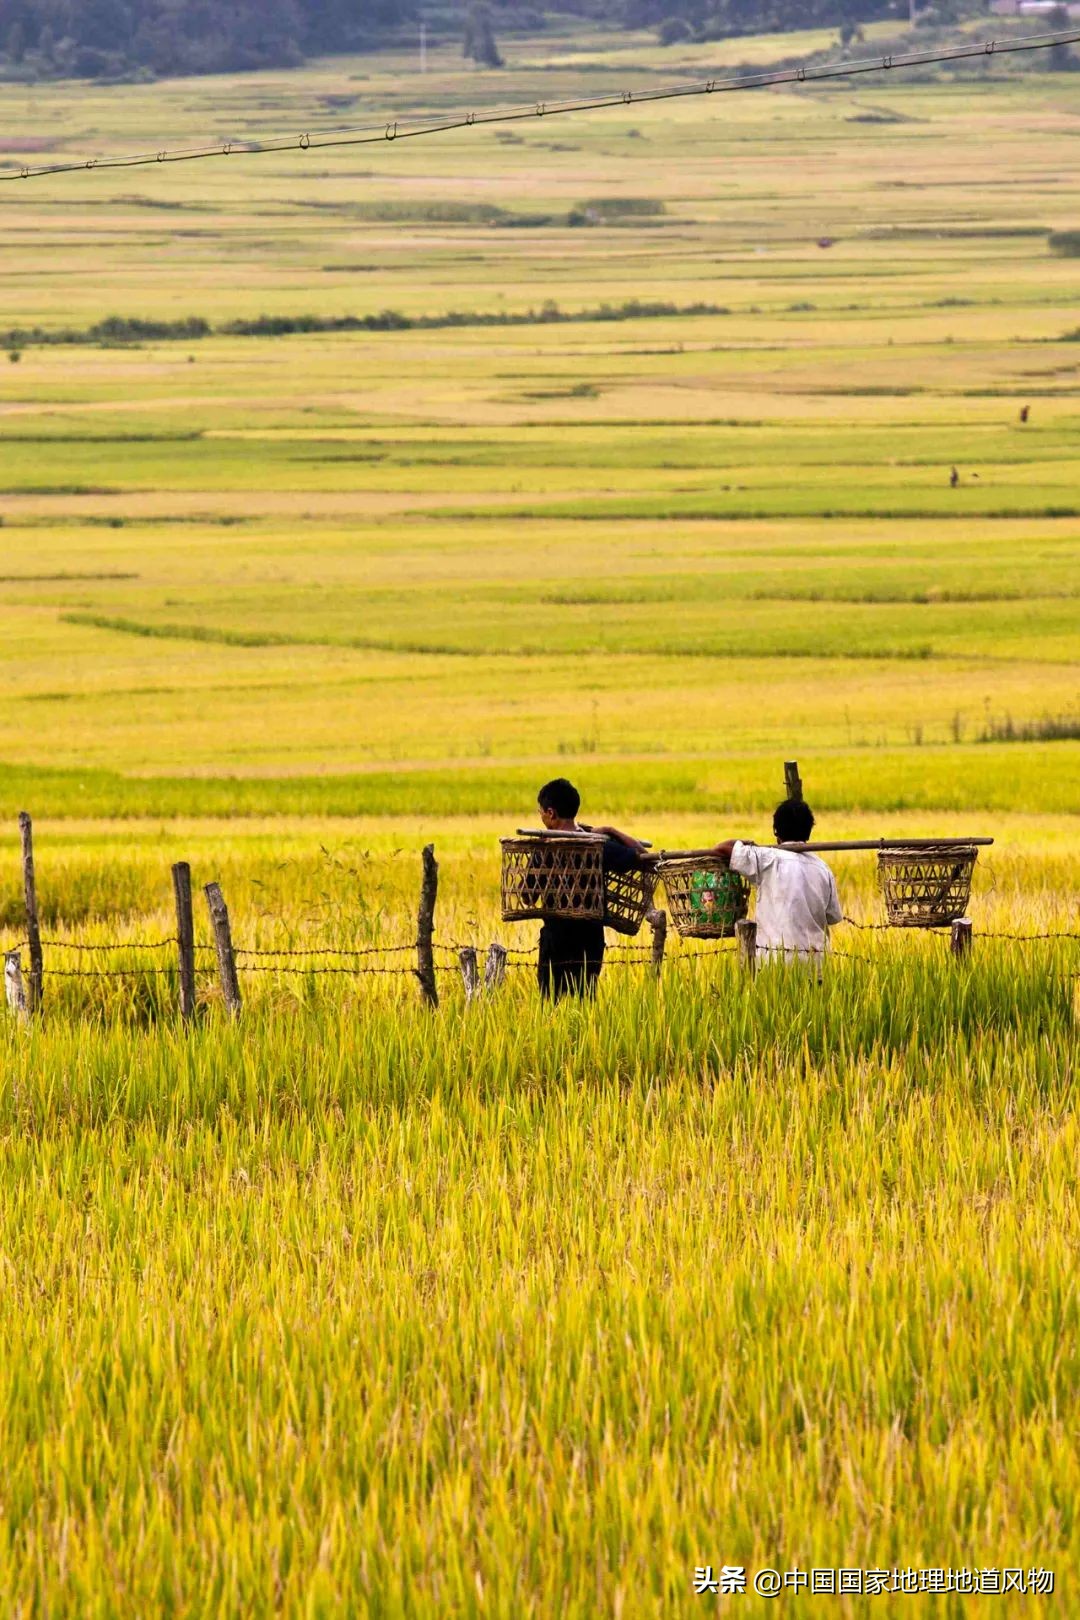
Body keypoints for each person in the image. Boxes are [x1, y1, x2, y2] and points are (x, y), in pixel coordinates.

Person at [534, 778, 649, 1002]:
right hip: (589, 939)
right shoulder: (597, 845)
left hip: (554, 939)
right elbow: (641, 854)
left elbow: (528, 896)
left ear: (551, 813)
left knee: (549, 1007)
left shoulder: (542, 848)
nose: (541, 816)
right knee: (585, 1002)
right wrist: (609, 830)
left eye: (541, 812)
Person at [712, 798, 841, 966]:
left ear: (776, 831)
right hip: (817, 964)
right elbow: (832, 916)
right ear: (809, 831)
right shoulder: (823, 869)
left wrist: (748, 844)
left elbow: (721, 848)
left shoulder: (766, 858)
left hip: (774, 963)